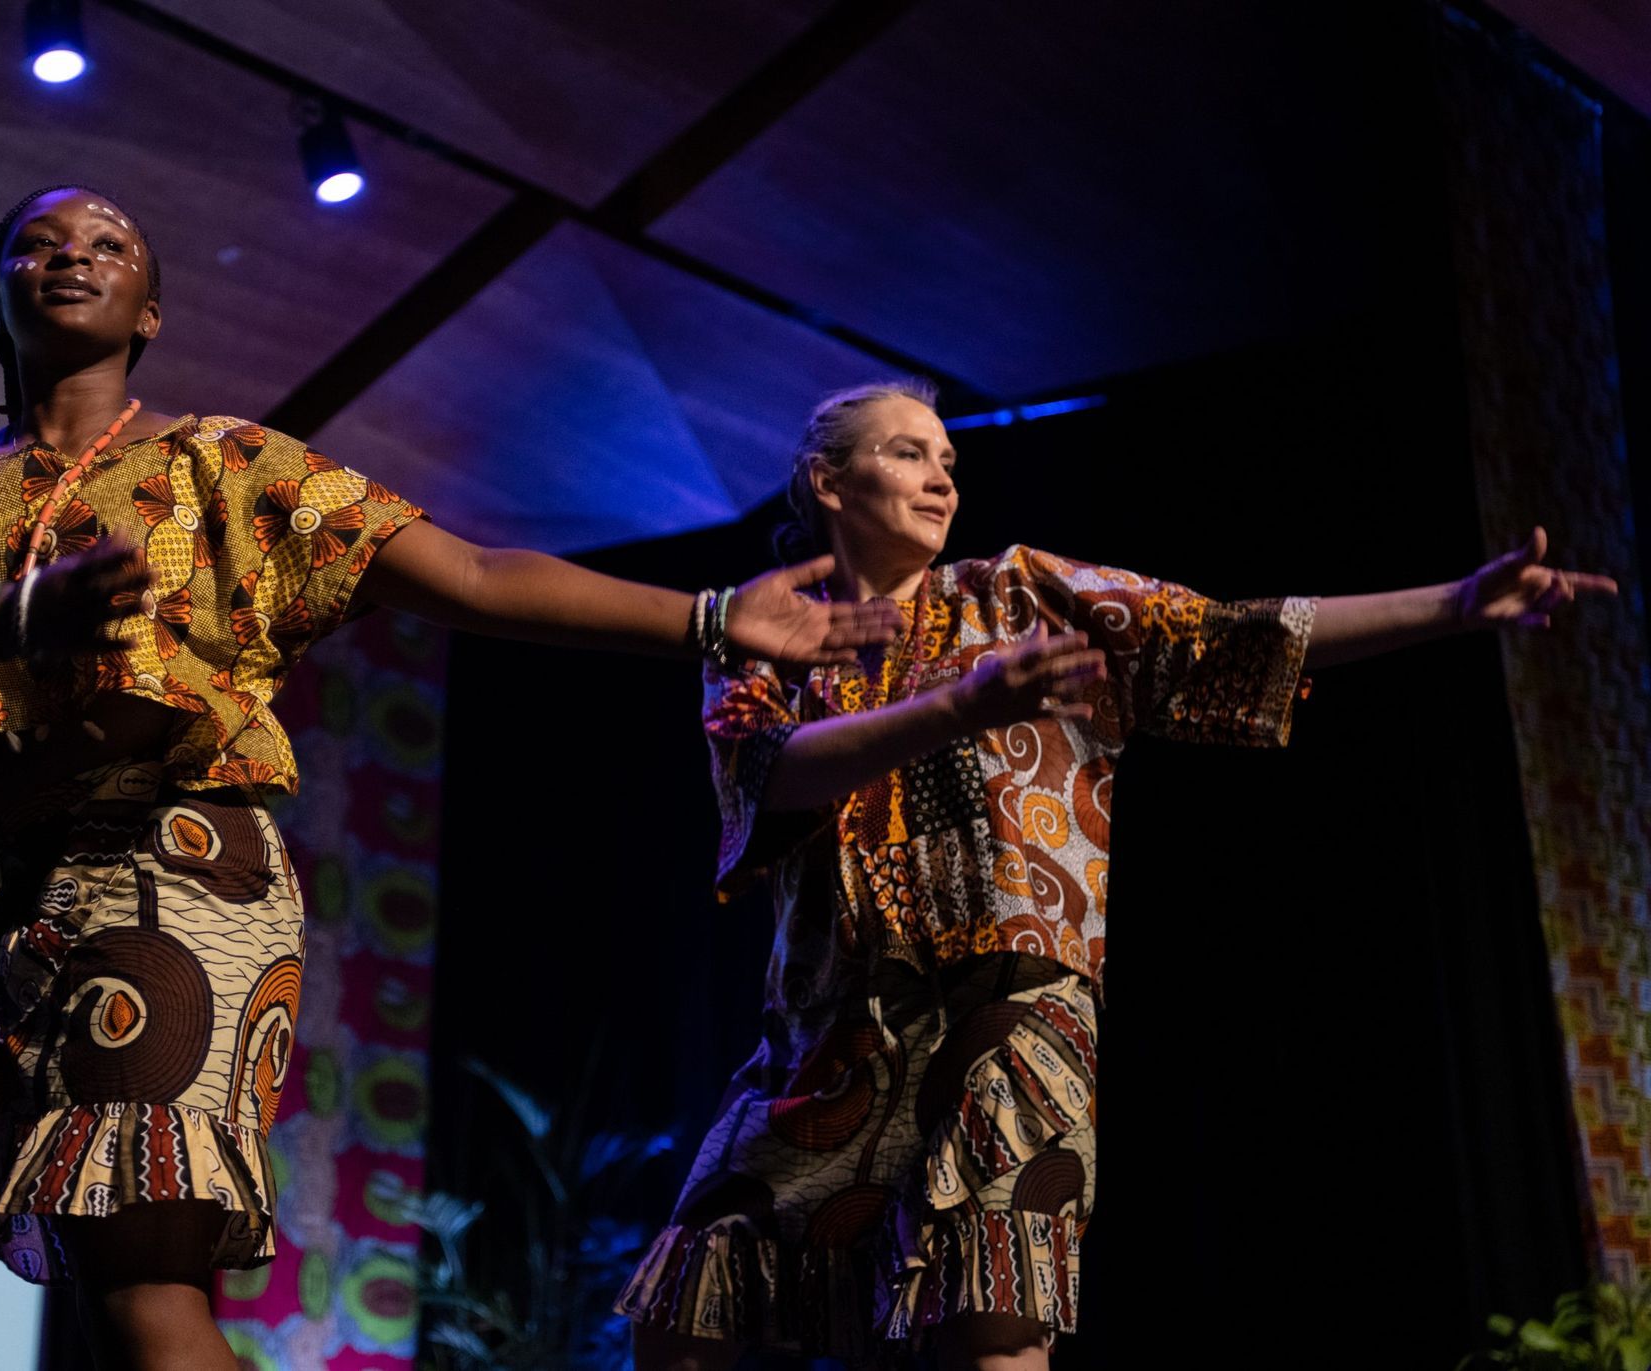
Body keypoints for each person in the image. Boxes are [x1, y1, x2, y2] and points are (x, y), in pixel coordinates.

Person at [0, 185, 902, 1371]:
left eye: (109, 245)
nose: (71, 256)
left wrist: (708, 617)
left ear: (148, 311)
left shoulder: (233, 466)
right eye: (38, 245)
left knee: (139, 1280)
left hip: (180, 875)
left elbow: (471, 573)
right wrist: (17, 613)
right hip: (14, 914)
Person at [614, 378, 1617, 1371]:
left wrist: (1455, 603)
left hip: (1010, 1005)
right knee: (688, 1309)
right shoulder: (765, 629)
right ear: (825, 482)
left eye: (949, 461)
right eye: (906, 453)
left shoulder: (1021, 592)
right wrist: (962, 706)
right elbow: (773, 777)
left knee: (992, 1315)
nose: (940, 480)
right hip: (826, 1025)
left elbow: (1226, 635)